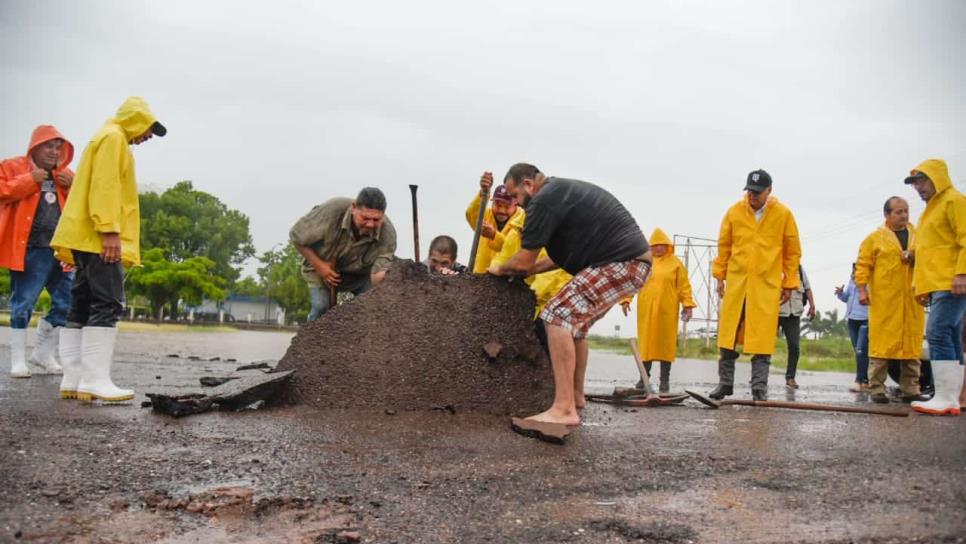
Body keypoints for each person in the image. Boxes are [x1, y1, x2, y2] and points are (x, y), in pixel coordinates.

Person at [490, 163, 651, 426]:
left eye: (516, 195)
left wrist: (499, 268)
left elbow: (522, 261)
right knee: (576, 327)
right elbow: (551, 259)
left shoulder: (543, 200)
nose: (517, 204)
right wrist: (526, 272)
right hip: (630, 262)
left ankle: (563, 408)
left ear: (528, 185)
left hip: (621, 262)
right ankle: (575, 397)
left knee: (556, 315)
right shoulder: (559, 195)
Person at [50, 97, 166, 402]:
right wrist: (110, 231)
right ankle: (95, 380)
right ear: (134, 120)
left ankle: (73, 378)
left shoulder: (103, 135)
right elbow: (105, 187)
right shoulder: (114, 139)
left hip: (84, 236)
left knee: (82, 303)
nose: (148, 136)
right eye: (148, 128)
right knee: (108, 302)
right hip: (98, 236)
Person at [709, 169, 801, 402]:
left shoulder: (783, 215)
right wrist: (720, 276)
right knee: (728, 334)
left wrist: (789, 282)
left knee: (762, 336)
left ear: (769, 191)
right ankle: (725, 383)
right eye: (750, 190)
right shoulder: (734, 212)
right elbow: (724, 246)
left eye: (758, 192)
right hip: (737, 283)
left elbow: (792, 253)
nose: (753, 195)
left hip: (766, 285)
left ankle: (759, 387)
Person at [0, 125, 75, 378]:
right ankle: (18, 360)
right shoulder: (12, 167)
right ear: (35, 147)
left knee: (67, 302)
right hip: (30, 249)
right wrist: (29, 181)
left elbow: (85, 204)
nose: (55, 152)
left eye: (58, 147)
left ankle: (43, 353)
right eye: (49, 146)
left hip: (62, 251)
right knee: (24, 303)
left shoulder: (66, 175)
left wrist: (73, 186)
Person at [903, 160, 966, 416]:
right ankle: (950, 397)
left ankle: (946, 397)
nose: (919, 187)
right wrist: (921, 285)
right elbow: (930, 250)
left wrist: (962, 272)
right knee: (950, 336)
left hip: (952, 280)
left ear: (937, 178)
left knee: (938, 332)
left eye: (923, 181)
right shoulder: (931, 210)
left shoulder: (954, 201)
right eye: (916, 183)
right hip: (939, 283)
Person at [854, 196, 927, 404]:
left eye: (906, 211)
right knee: (881, 346)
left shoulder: (918, 236)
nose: (904, 215)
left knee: (912, 346)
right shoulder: (875, 239)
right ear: (887, 215)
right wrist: (861, 290)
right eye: (898, 212)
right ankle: (877, 388)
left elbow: (929, 259)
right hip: (884, 301)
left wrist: (914, 257)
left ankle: (911, 389)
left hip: (912, 300)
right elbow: (863, 266)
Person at [290, 187, 396, 321]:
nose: (370, 224)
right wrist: (321, 267)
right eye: (365, 218)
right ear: (354, 208)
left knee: (372, 310)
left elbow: (376, 276)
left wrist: (393, 286)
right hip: (320, 267)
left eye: (376, 220)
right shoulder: (332, 210)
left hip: (360, 275)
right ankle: (308, 340)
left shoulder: (388, 235)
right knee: (321, 306)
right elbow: (296, 236)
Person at [620, 228, 695, 393]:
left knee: (665, 345)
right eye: (655, 245)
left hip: (667, 310)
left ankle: (664, 382)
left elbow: (684, 286)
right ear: (650, 247)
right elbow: (633, 282)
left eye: (662, 245)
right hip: (646, 309)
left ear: (668, 246)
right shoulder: (644, 262)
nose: (659, 248)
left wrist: (688, 305)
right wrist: (626, 300)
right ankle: (643, 380)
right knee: (646, 345)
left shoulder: (675, 263)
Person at [465, 173, 524, 273]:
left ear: (516, 204)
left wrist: (494, 236)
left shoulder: (522, 220)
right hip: (480, 276)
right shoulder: (486, 215)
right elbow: (471, 214)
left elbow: (514, 250)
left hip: (506, 279)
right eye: (497, 204)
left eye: (506, 206)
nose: (501, 210)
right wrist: (483, 192)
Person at [778, 265, 816, 389]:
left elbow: (808, 288)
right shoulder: (772, 265)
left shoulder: (799, 269)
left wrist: (812, 306)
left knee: (794, 347)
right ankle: (759, 377)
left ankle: (790, 377)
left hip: (793, 313)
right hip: (774, 312)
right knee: (762, 345)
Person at [835, 263, 870, 392]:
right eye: (854, 271)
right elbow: (847, 298)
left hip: (865, 319)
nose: (855, 273)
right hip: (851, 319)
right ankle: (865, 380)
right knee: (858, 351)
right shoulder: (851, 281)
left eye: (857, 271)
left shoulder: (870, 282)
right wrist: (840, 293)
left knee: (861, 351)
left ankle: (858, 381)